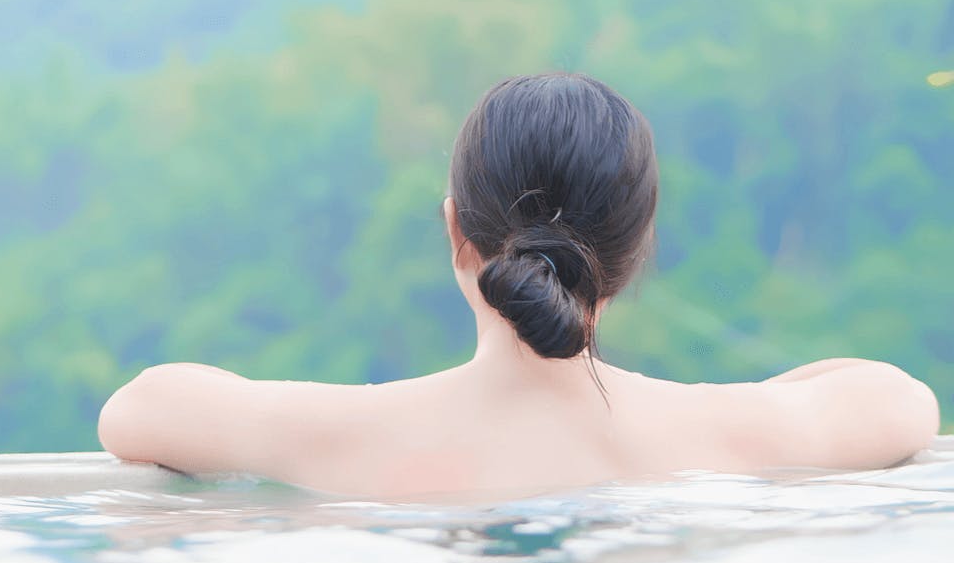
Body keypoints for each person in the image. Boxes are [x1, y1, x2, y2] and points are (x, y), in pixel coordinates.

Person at [98, 73, 940, 499]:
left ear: (455, 229)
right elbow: (898, 398)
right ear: (637, 245)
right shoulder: (729, 431)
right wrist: (758, 397)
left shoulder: (340, 434)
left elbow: (139, 409)